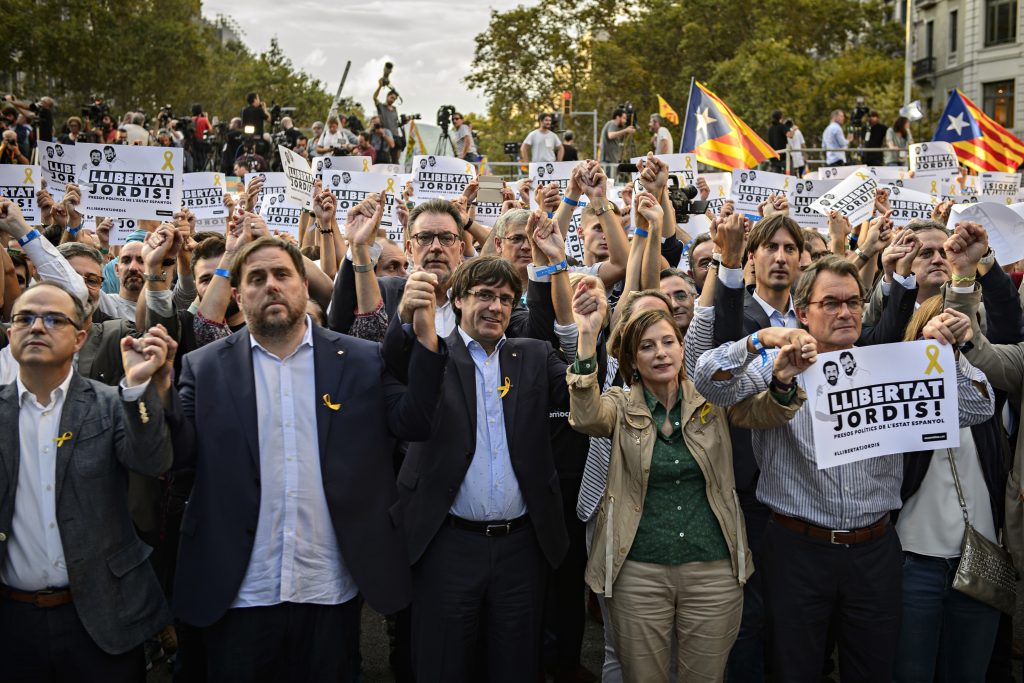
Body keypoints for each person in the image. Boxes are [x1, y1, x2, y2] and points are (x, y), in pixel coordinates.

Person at [692, 255, 994, 682]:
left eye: (853, 301)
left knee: (872, 669)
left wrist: (951, 357)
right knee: (794, 669)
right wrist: (760, 338)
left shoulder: (892, 367)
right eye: (830, 303)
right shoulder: (782, 366)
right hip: (798, 550)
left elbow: (981, 407)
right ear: (803, 313)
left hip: (874, 551)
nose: (846, 312)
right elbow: (706, 382)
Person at [167, 233, 446, 681]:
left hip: (326, 588)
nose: (271, 285)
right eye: (257, 278)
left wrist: (426, 335)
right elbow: (177, 457)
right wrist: (154, 392)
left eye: (282, 274)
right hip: (239, 589)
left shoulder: (360, 360)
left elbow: (415, 423)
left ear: (304, 284)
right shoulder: (204, 366)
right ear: (239, 294)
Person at [568, 287, 806, 682]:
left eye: (668, 343)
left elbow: (767, 412)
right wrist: (587, 336)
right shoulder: (620, 404)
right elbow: (586, 415)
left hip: (712, 570)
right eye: (647, 346)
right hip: (637, 571)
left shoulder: (712, 400)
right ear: (632, 358)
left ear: (682, 350)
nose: (660, 353)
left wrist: (781, 381)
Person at [382, 254, 570, 682]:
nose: (496, 307)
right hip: (447, 546)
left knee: (515, 666)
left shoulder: (535, 355)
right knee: (442, 664)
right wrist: (406, 317)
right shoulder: (432, 352)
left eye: (506, 299)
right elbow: (392, 359)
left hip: (522, 548)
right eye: (484, 295)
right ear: (458, 301)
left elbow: (579, 397)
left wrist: (586, 335)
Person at [0, 278, 175, 681]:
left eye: (52, 319)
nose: (37, 327)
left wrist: (136, 387)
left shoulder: (111, 403)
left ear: (79, 339)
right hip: (13, 623)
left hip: (102, 620)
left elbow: (152, 461)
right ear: (10, 334)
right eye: (24, 318)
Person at [893, 293, 1008, 683]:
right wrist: (930, 354)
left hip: (980, 560)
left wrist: (958, 359)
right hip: (913, 563)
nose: (957, 338)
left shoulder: (985, 401)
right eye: (947, 331)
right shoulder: (898, 400)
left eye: (966, 331)